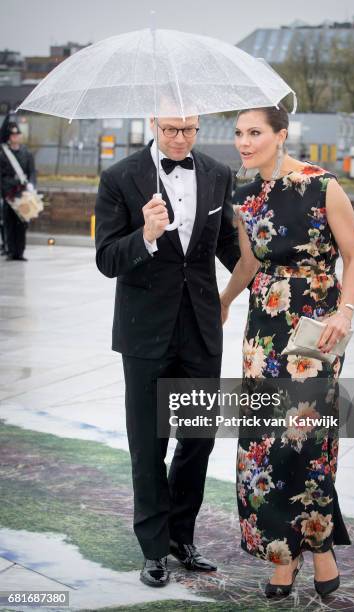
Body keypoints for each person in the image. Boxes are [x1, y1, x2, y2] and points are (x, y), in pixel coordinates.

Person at [220, 105, 354, 599]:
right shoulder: (242, 191)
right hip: (263, 331)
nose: (244, 141)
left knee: (305, 439)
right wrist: (223, 302)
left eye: (255, 132)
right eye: (238, 133)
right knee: (261, 444)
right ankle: (283, 557)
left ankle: (319, 547)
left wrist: (344, 311)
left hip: (315, 331)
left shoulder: (323, 186)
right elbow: (247, 261)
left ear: (281, 135)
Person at [95, 116, 240, 587]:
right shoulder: (120, 177)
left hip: (200, 327)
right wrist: (147, 235)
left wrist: (272, 275)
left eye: (190, 129)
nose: (181, 138)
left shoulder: (219, 174)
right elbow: (106, 258)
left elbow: (226, 247)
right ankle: (154, 548)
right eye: (173, 129)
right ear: (154, 124)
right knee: (148, 444)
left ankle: (182, 536)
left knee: (197, 439)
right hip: (144, 333)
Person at [0, 117, 36, 261]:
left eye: (17, 135)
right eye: (13, 135)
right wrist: (12, 184)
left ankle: (20, 252)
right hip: (9, 193)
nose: (16, 137)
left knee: (22, 223)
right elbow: (2, 176)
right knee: (9, 223)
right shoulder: (3, 154)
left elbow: (32, 171)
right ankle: (11, 251)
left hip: (23, 193)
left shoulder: (26, 153)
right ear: (9, 137)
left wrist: (32, 184)